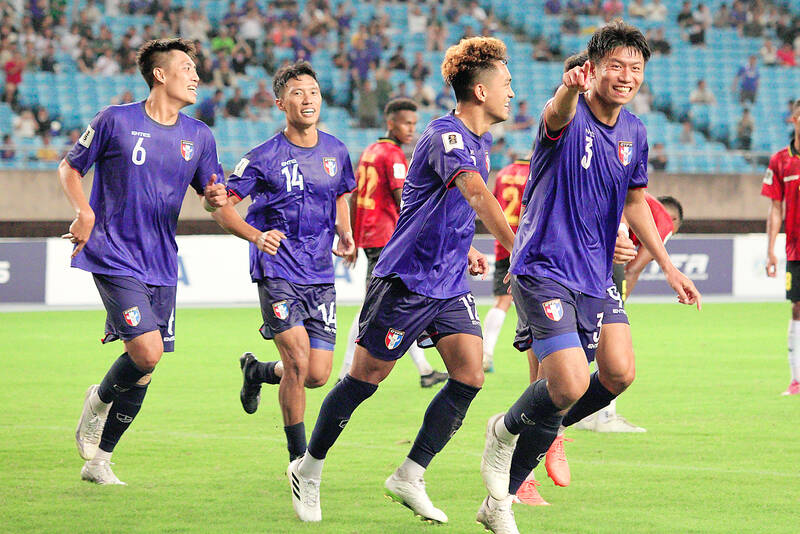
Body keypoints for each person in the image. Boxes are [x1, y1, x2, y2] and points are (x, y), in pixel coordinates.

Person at [478, 21, 701, 534]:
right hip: (544, 267)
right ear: (593, 69)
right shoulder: (567, 112)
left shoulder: (635, 132)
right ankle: (505, 435)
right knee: (568, 381)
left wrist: (668, 266)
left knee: (618, 373)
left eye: (635, 68)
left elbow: (635, 201)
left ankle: (513, 474)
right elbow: (555, 114)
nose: (626, 76)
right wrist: (567, 88)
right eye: (615, 66)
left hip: (596, 272)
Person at [287, 36, 516, 524]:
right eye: (506, 83)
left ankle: (410, 474)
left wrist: (467, 248)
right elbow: (475, 194)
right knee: (365, 379)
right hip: (407, 278)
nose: (511, 92)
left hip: (448, 281)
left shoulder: (480, 141)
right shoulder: (445, 135)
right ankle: (308, 467)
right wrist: (517, 249)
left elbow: (438, 204)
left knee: (470, 375)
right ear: (480, 91)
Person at [64, 38, 227, 486]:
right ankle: (98, 401)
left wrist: (216, 197)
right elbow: (70, 167)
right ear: (160, 74)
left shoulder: (200, 135)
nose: (196, 76)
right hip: (113, 252)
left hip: (161, 261)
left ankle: (99, 462)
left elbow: (211, 194)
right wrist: (84, 212)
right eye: (187, 67)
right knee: (147, 351)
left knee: (143, 370)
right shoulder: (115, 120)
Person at [210, 61, 356, 462]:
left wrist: (345, 231)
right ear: (280, 103)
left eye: (313, 91)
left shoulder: (336, 150)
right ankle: (298, 462)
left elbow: (340, 194)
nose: (307, 99)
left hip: (319, 271)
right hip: (277, 270)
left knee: (317, 375)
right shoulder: (262, 157)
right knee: (297, 362)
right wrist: (256, 236)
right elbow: (222, 207)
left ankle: (257, 371)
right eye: (297, 92)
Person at [338, 98, 448, 387]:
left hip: (371, 237)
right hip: (389, 239)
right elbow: (405, 200)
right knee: (377, 306)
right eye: (406, 123)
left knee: (395, 305)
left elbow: (354, 196)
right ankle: (345, 372)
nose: (411, 129)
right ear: (391, 123)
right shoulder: (393, 155)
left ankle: (425, 370)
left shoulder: (369, 152)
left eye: (414, 124)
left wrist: (353, 235)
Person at [763, 98, 800, 396]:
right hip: (796, 249)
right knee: (797, 308)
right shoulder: (780, 160)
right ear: (794, 120)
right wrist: (770, 249)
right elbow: (776, 208)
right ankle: (796, 378)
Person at [482, 157, 530, 374]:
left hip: (503, 242)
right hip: (527, 243)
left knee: (502, 300)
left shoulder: (503, 173)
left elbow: (492, 203)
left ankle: (486, 353)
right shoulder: (535, 172)